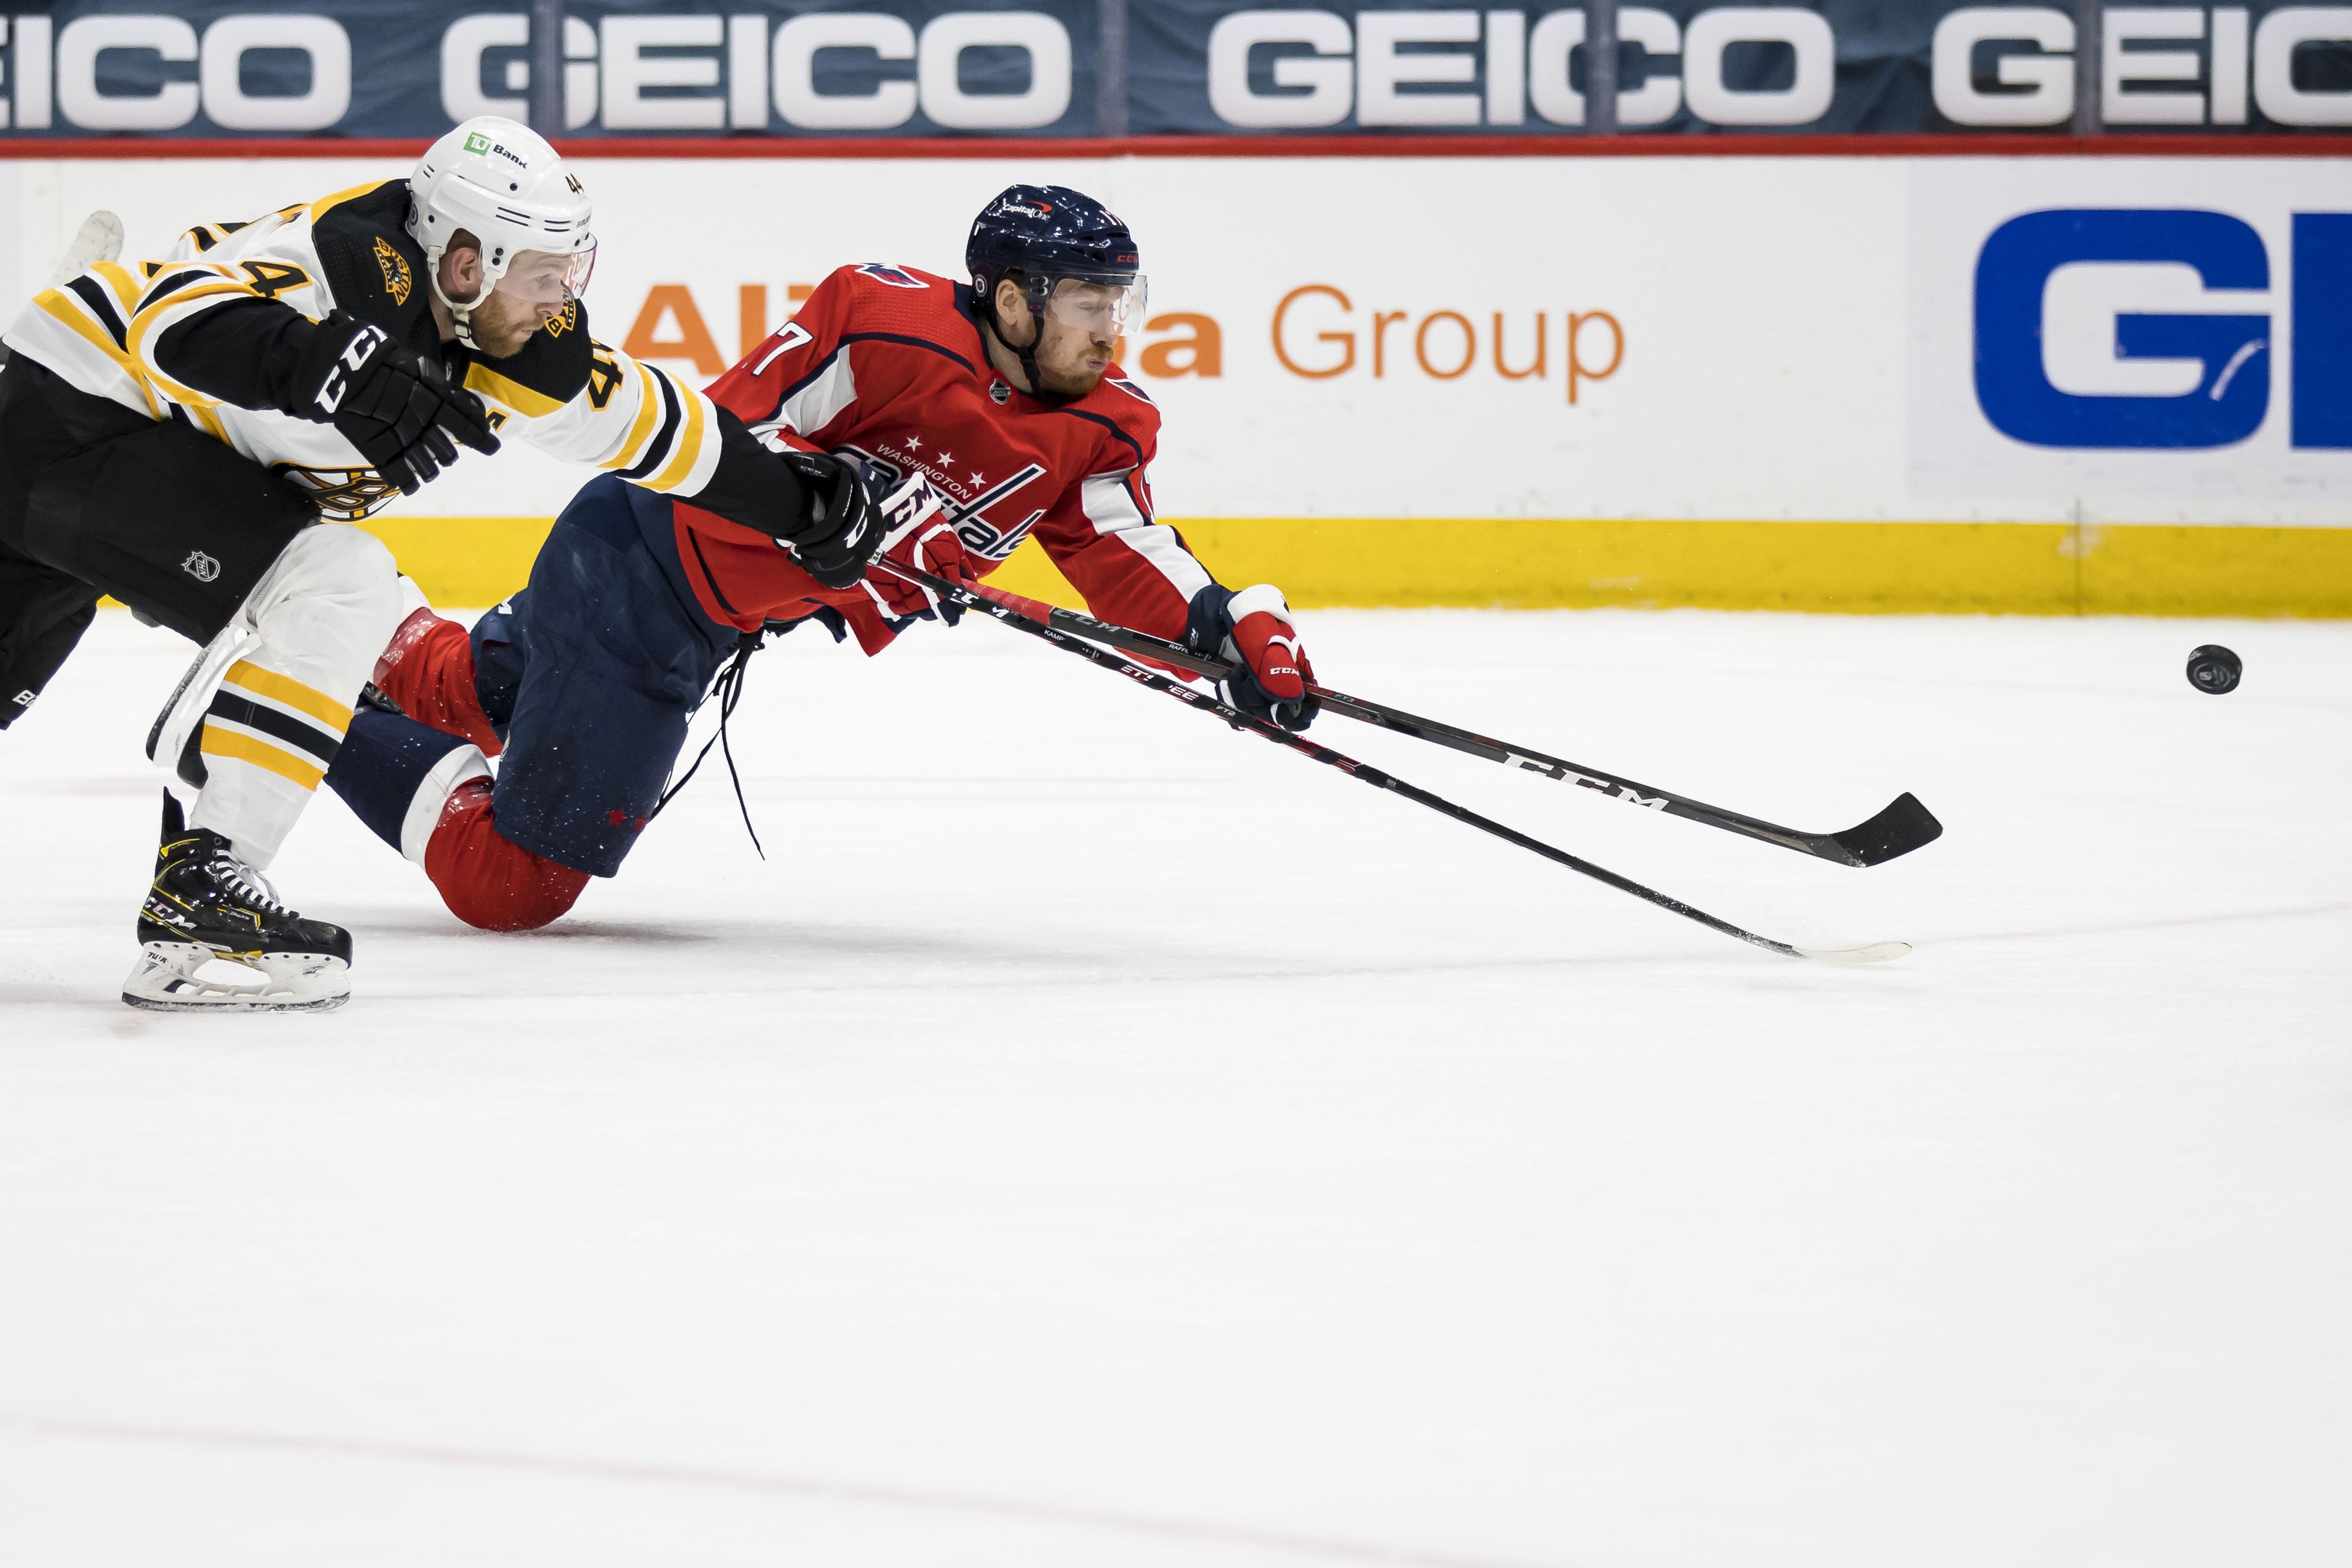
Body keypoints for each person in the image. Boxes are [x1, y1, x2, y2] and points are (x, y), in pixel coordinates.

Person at [0, 115, 882, 1010]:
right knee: (338, 582)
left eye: (570, 272)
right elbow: (172, 316)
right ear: (468, 265)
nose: (560, 301)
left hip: (80, 454)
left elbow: (659, 429)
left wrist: (799, 507)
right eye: (543, 275)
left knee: (324, 588)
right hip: (72, 422)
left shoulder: (513, 348)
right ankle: (207, 885)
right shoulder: (338, 261)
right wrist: (329, 363)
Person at [323, 185, 1317, 932]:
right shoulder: (885, 327)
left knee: (465, 695)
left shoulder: (1104, 424)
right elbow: (718, 435)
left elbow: (1121, 550)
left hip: (707, 617)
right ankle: (302, 712)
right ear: (1015, 302)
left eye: (1120, 304)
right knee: (514, 886)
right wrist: (840, 493)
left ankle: (333, 638)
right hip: (639, 575)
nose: (1112, 333)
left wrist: (1228, 630)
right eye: (1089, 306)